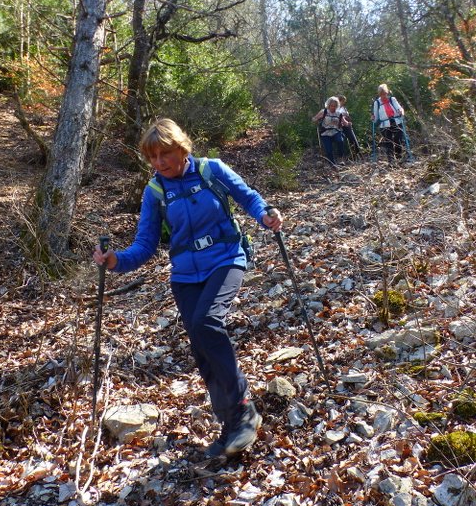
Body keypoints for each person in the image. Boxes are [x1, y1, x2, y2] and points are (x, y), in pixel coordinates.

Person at [93, 118, 283, 458]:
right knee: (202, 349)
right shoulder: (155, 192)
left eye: (165, 153)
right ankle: (231, 430)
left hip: (226, 259)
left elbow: (248, 197)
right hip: (184, 277)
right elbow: (145, 244)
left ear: (182, 148)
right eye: (152, 157)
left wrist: (265, 214)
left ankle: (244, 408)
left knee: (208, 324)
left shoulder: (212, 170)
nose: (159, 163)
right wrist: (115, 261)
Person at [371, 84, 406, 163]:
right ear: (379, 94)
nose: (383, 96)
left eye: (384, 93)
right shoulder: (377, 102)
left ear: (387, 92)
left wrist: (401, 111)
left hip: (396, 121)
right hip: (384, 125)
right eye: (381, 94)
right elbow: (375, 116)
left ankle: (399, 157)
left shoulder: (392, 99)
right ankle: (391, 160)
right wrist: (373, 118)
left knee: (398, 139)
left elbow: (399, 108)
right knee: (388, 142)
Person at [312, 96, 348, 165]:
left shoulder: (339, 113)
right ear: (328, 105)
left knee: (340, 140)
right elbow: (314, 119)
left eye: (335, 106)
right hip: (325, 133)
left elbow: (345, 122)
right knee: (328, 150)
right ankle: (332, 164)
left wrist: (347, 124)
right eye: (331, 106)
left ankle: (340, 159)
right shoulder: (324, 112)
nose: (333, 107)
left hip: (336, 131)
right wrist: (316, 119)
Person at [337, 95, 362, 160]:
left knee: (352, 139)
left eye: (343, 101)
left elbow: (347, 116)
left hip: (347, 125)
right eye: (342, 101)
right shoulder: (335, 108)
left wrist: (347, 118)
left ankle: (357, 154)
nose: (343, 103)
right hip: (339, 126)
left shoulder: (344, 108)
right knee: (341, 141)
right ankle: (342, 157)